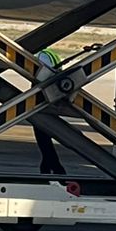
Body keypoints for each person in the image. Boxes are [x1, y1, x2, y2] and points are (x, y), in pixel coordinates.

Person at [32, 46, 67, 175]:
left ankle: (55, 168)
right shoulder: (51, 54)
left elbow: (43, 77)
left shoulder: (42, 56)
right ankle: (48, 166)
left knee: (42, 136)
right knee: (44, 138)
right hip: (51, 96)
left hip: (43, 97)